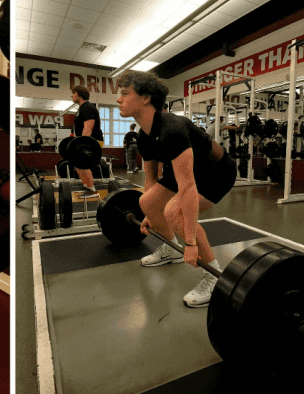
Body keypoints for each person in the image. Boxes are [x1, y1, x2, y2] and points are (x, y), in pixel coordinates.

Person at [116, 71, 237, 307]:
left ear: (145, 98)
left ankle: (213, 275)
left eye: (125, 93)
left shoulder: (173, 128)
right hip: (182, 171)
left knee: (174, 212)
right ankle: (170, 250)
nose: (118, 99)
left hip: (215, 173)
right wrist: (150, 214)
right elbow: (150, 181)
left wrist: (190, 242)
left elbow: (189, 186)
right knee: (146, 202)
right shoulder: (143, 136)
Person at [70, 85, 104, 193]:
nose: (72, 95)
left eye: (74, 93)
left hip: (92, 142)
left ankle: (91, 189)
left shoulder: (88, 107)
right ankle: (86, 185)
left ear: (80, 95)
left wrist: (81, 145)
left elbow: (88, 127)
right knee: (77, 164)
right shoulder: (81, 108)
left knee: (83, 164)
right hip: (86, 141)